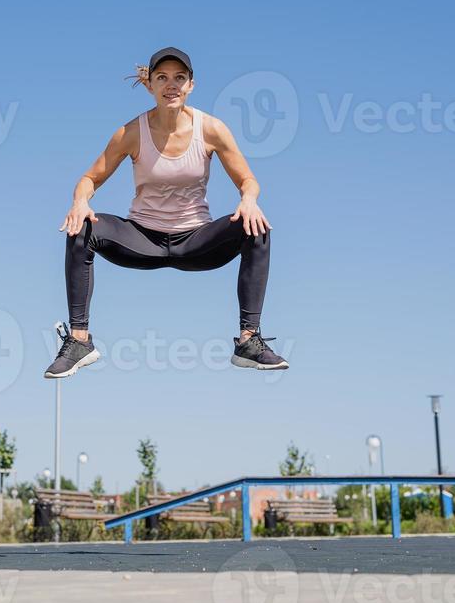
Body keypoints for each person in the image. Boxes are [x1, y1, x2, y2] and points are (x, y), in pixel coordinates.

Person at [44, 47, 288, 379]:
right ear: (150, 86)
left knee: (256, 226)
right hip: (142, 238)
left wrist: (248, 199)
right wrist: (80, 201)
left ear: (191, 85)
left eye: (179, 78)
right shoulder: (131, 133)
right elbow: (90, 178)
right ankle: (79, 341)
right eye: (162, 78)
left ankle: (249, 340)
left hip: (196, 242)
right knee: (82, 227)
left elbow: (248, 180)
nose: (170, 85)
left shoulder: (212, 129)